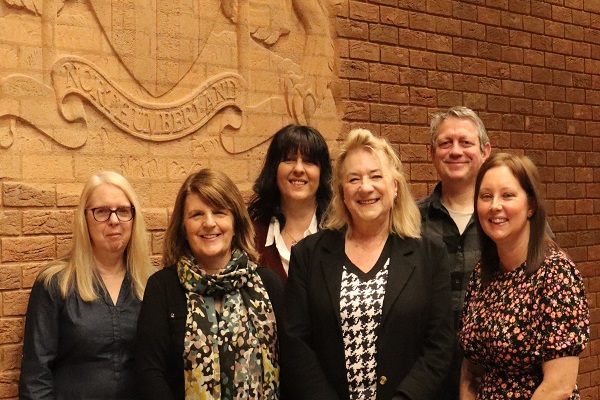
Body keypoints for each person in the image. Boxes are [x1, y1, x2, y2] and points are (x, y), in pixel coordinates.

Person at [281, 128, 454, 400]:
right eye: (353, 179)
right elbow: (295, 345)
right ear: (342, 192)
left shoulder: (430, 255)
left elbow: (440, 346)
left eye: (376, 176)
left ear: (395, 187)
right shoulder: (308, 255)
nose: (365, 187)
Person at [136, 169, 284, 400]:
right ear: (183, 226)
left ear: (236, 222)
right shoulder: (162, 288)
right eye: (197, 215)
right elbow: (149, 374)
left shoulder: (269, 284)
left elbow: (293, 365)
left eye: (219, 212)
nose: (209, 222)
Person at [460, 153, 589, 399]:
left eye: (507, 195)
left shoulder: (556, 274)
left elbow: (559, 387)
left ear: (530, 205)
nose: (495, 205)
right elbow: (471, 369)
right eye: (486, 196)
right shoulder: (482, 274)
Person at [19, 171, 154, 399]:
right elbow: (36, 376)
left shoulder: (151, 285)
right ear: (84, 219)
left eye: (123, 211)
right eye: (101, 211)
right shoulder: (55, 284)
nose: (114, 220)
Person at [417, 106, 491, 400]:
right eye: (445, 143)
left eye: (466, 142)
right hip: (426, 377)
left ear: (485, 150)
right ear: (431, 152)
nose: (455, 151)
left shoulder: (509, 219)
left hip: (493, 377)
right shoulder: (409, 222)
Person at [248, 124, 332, 282]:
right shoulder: (251, 237)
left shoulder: (338, 236)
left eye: (308, 161)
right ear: (274, 168)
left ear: (322, 172)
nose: (299, 169)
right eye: (289, 160)